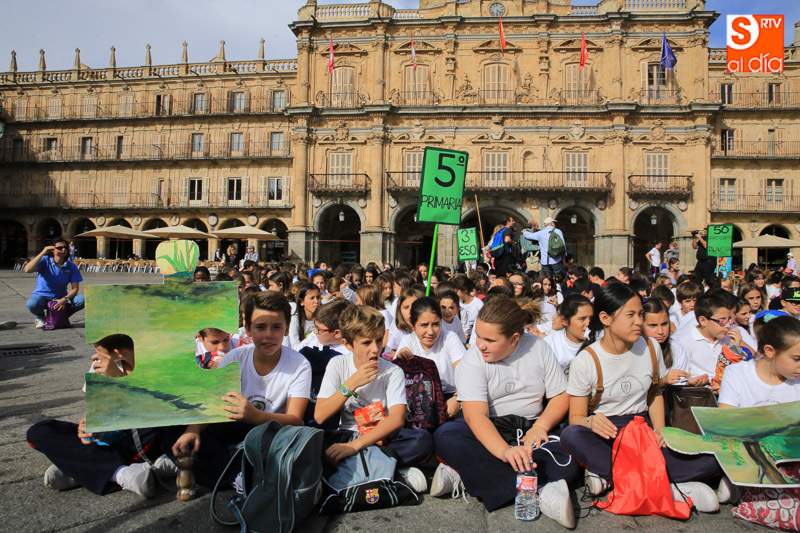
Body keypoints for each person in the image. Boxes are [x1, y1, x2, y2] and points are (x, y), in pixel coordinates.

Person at [559, 283, 722, 513]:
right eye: (630, 315)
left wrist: (660, 428)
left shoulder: (650, 347)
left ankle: (615, 479)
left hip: (642, 430)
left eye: (640, 314)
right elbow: (576, 417)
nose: (638, 321)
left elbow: (654, 393)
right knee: (571, 435)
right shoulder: (586, 360)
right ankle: (666, 487)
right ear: (605, 318)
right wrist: (590, 422)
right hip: (608, 433)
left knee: (712, 460)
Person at [432, 296, 581, 527]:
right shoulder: (472, 360)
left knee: (570, 455)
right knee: (446, 437)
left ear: (514, 339)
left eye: (490, 340)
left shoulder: (538, 347)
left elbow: (561, 395)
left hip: (532, 427)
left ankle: (468, 473)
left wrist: (541, 427)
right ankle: (541, 489)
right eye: (478, 336)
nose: (480, 344)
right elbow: (475, 416)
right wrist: (504, 451)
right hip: (489, 428)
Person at [171, 292, 311, 489]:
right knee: (177, 431)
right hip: (234, 428)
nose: (268, 334)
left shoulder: (299, 364)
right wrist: (192, 430)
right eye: (260, 327)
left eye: (276, 327)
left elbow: (295, 419)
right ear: (248, 329)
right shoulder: (235, 358)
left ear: (287, 329)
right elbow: (212, 404)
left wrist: (254, 415)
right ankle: (240, 473)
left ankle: (237, 474)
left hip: (271, 432)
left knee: (273, 446)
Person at [27, 334, 175, 497]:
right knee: (39, 431)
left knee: (155, 425)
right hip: (108, 435)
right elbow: (96, 408)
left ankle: (90, 468)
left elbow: (162, 410)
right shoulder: (99, 365)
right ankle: (117, 471)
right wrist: (87, 426)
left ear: (118, 352)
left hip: (140, 435)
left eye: (98, 350)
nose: (95, 356)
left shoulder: (159, 364)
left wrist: (119, 379)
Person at [315, 305, 431, 491]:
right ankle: (387, 470)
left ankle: (367, 467)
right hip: (348, 433)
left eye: (378, 340)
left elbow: (397, 418)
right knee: (316, 444)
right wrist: (351, 384)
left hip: (381, 436)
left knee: (421, 441)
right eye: (366, 343)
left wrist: (355, 446)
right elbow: (320, 415)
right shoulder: (338, 364)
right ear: (347, 344)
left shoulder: (392, 371)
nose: (375, 349)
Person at [395, 297, 465, 419]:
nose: (431, 331)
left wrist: (458, 397)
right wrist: (401, 361)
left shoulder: (450, 338)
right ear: (412, 325)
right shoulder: (408, 342)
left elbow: (465, 371)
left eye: (436, 324)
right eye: (424, 325)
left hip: (452, 398)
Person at [675, 291, 739, 385]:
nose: (728, 325)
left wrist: (735, 349)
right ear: (703, 320)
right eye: (722, 321)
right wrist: (690, 382)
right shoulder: (685, 342)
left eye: (730, 320)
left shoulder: (728, 338)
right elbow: (678, 378)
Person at [642, 298, 707, 387]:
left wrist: (688, 384)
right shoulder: (634, 351)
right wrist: (663, 381)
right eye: (653, 325)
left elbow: (680, 382)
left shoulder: (676, 348)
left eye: (664, 324)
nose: (660, 331)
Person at [24, 238, 85, 329]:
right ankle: (40, 317)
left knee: (81, 300)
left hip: (61, 296)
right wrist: (43, 252)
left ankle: (58, 315)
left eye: (65, 247)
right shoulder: (45, 261)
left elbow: (75, 289)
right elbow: (27, 269)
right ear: (52, 250)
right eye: (60, 248)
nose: (63, 250)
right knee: (32, 304)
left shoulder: (71, 266)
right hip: (42, 295)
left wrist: (65, 299)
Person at [544, 294, 593, 372]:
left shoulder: (597, 343)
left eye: (591, 318)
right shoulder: (549, 345)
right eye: (582, 319)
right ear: (564, 320)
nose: (588, 323)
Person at [287, 282, 321, 349]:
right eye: (312, 298)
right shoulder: (294, 320)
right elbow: (296, 348)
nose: (316, 301)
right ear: (301, 302)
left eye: (318, 297)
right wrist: (314, 333)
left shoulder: (322, 319)